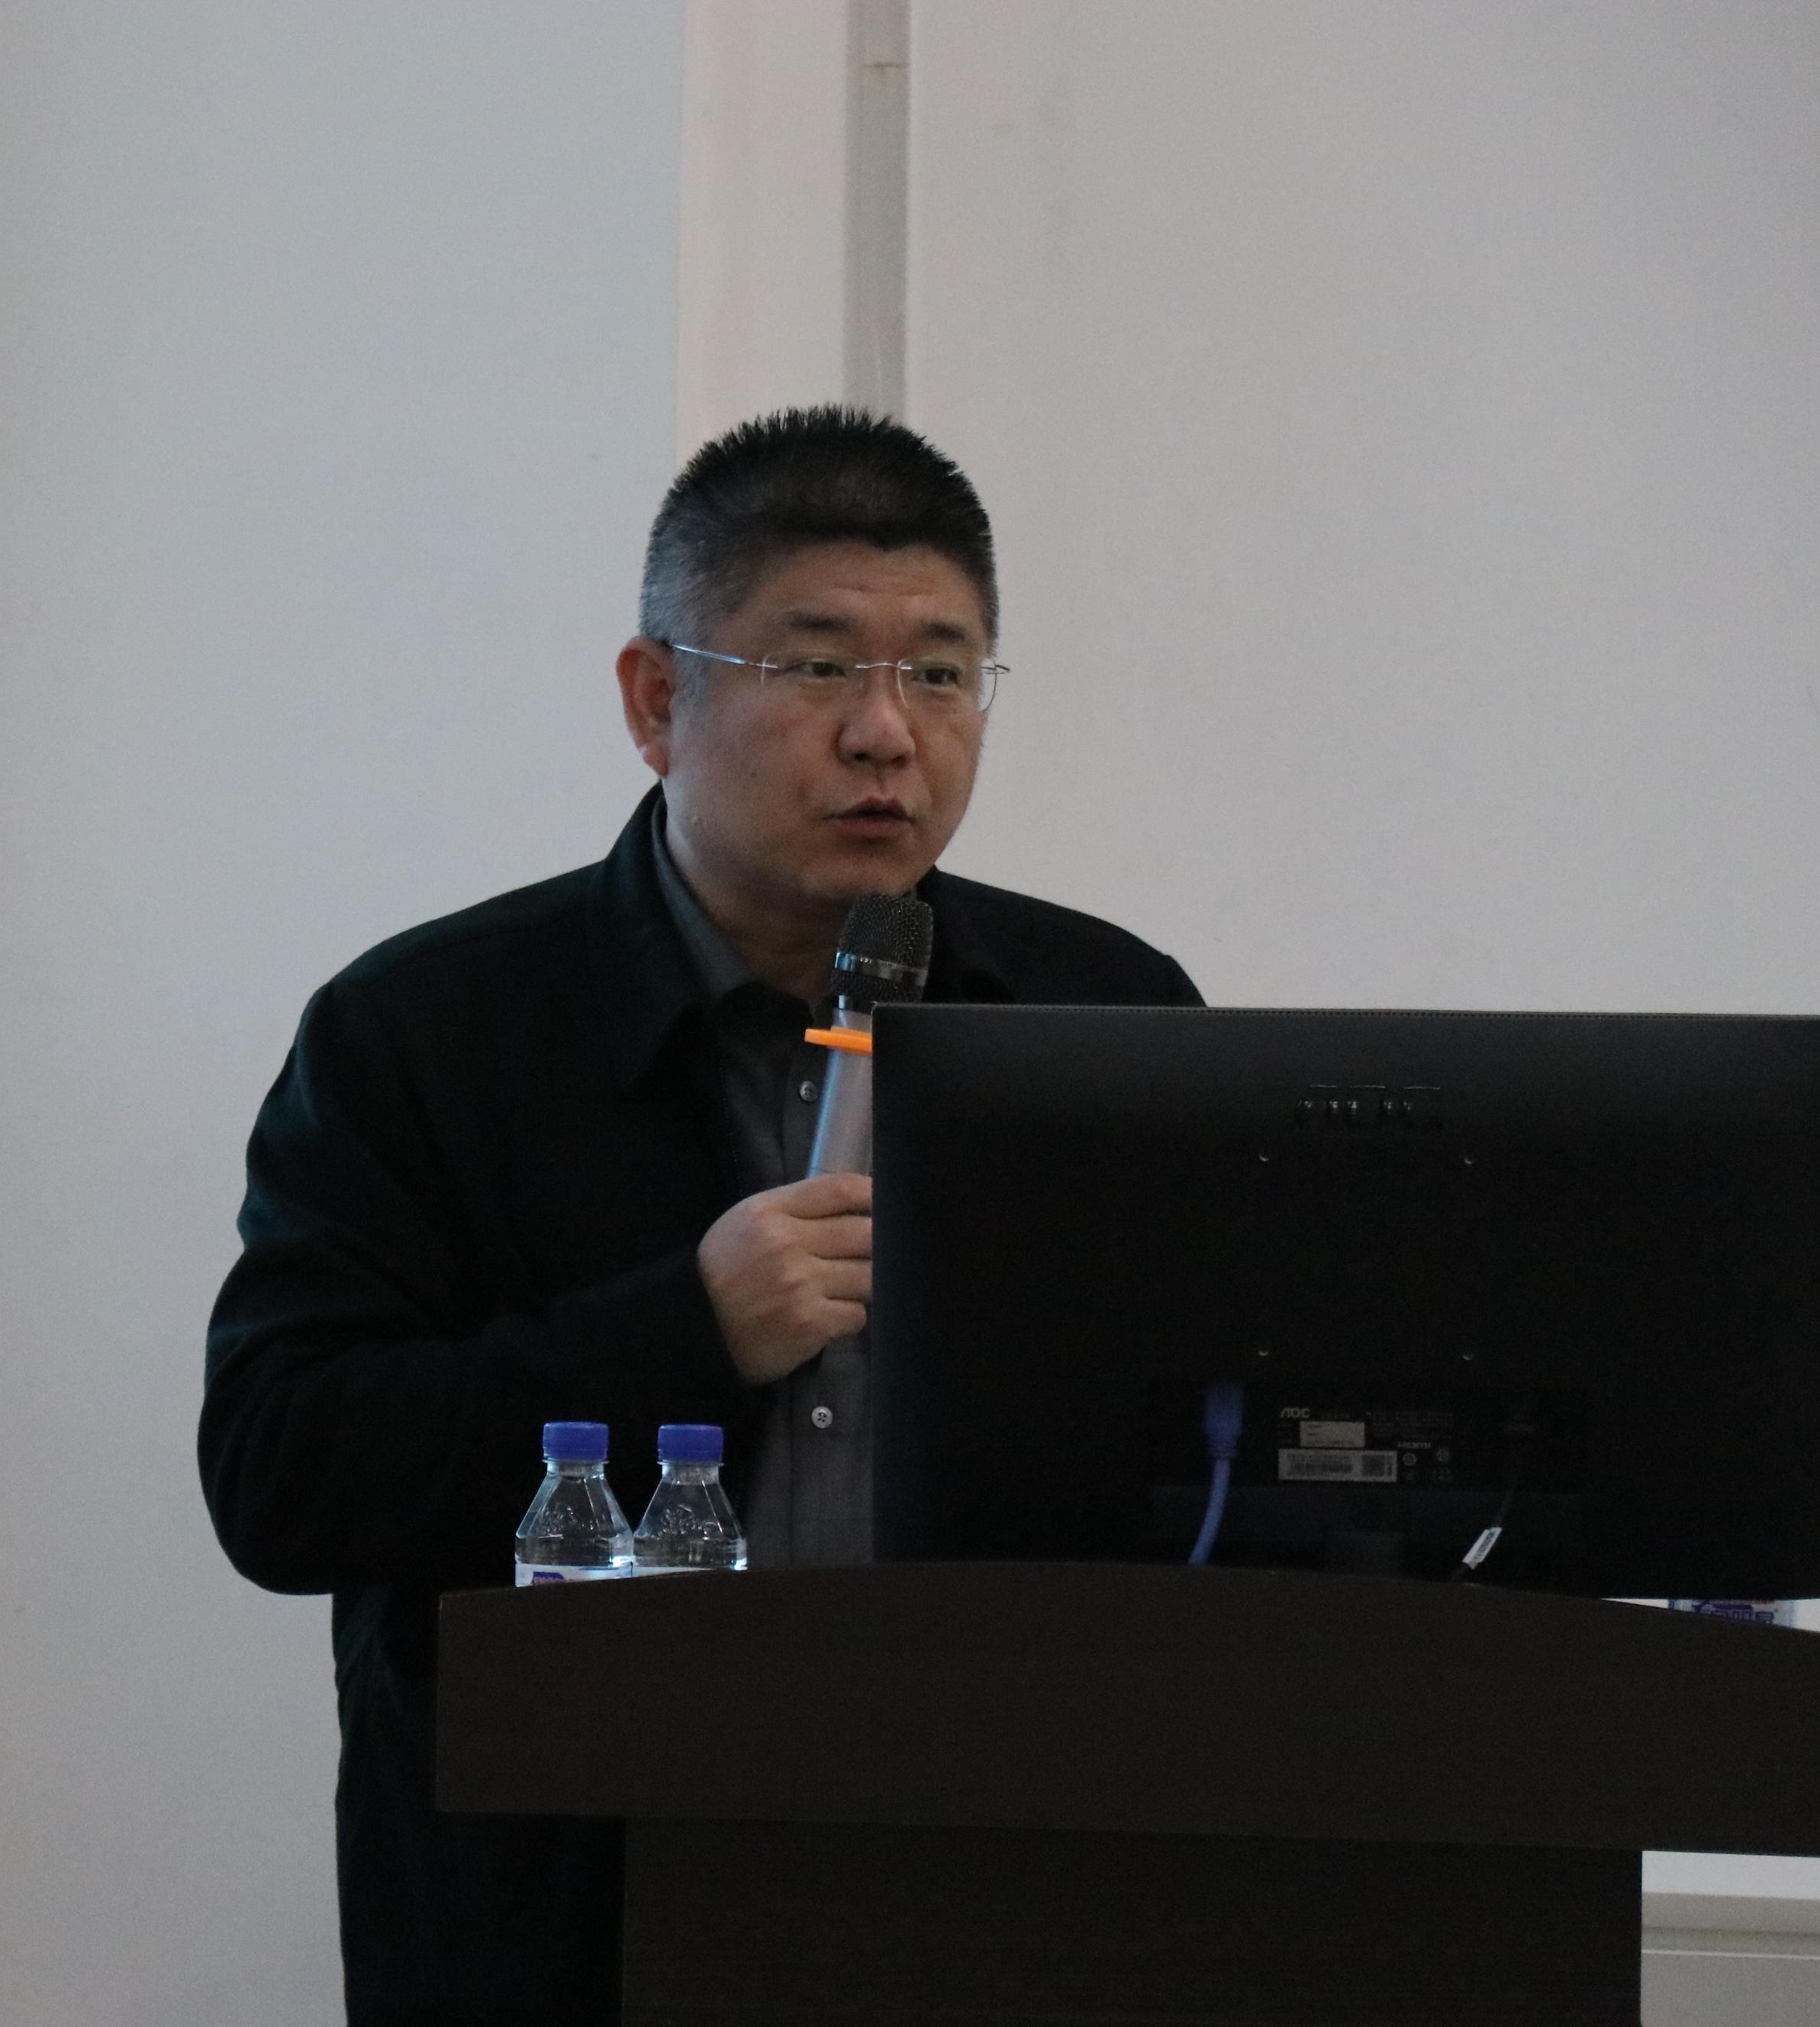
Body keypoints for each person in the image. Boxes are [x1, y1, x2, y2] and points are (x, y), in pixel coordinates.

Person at [199, 408, 1203, 2025]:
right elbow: (283, 1472)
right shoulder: (431, 1031)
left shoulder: (1102, 1016)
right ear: (657, 700)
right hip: (571, 1917)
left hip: (1008, 1885)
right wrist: (685, 1327)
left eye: (942, 674)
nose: (886, 734)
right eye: (819, 666)